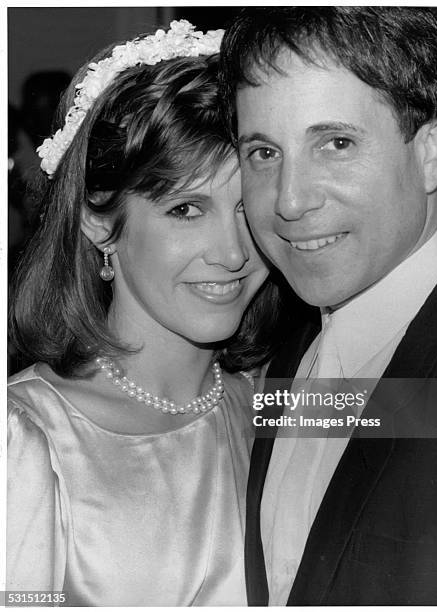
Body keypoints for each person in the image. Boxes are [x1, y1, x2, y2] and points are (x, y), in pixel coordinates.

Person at [7, 21, 280, 606]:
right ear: (99, 222)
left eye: (246, 206)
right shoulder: (25, 437)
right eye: (186, 208)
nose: (232, 252)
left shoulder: (282, 404)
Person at [219, 7, 437, 606]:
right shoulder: (286, 350)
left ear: (433, 150)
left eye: (335, 143)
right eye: (264, 153)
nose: (289, 200)